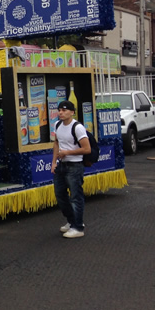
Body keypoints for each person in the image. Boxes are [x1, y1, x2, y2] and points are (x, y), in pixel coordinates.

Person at [51, 100, 90, 239]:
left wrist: (67, 153)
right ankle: (71, 220)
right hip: (61, 165)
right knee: (60, 195)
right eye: (59, 110)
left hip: (75, 166)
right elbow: (56, 143)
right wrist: (53, 162)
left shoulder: (78, 127)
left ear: (72, 112)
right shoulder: (57, 124)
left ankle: (78, 227)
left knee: (75, 196)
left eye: (65, 110)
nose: (61, 112)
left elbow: (87, 148)